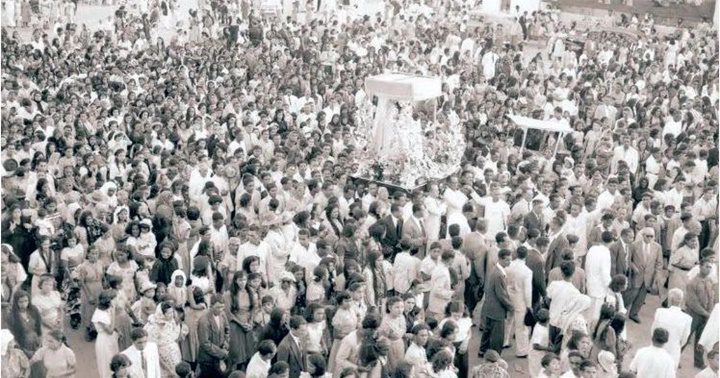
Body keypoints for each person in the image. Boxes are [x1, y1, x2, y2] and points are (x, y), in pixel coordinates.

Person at [479, 248, 513, 356]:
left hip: (490, 307)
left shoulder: (495, 271)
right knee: (497, 337)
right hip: (497, 310)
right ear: (500, 259)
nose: (509, 262)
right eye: (507, 260)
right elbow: (501, 295)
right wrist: (511, 307)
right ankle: (495, 356)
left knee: (487, 332)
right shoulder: (499, 275)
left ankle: (482, 350)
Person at [685, 259, 717, 369]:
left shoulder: (709, 281)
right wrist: (706, 314)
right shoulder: (692, 283)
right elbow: (692, 302)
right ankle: (675, 356)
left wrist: (710, 312)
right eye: (706, 266)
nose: (708, 269)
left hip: (706, 315)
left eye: (710, 267)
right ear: (700, 267)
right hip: (693, 314)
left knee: (701, 339)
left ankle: (698, 361)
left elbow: (712, 298)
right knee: (686, 337)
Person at [651, 288, 692, 369]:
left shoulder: (660, 312)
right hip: (674, 350)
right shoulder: (687, 318)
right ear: (681, 301)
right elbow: (685, 339)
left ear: (670, 299)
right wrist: (677, 345)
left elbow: (653, 331)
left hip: (657, 346)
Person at [196, 294, 230, 378]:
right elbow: (205, 343)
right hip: (207, 360)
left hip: (219, 358)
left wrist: (226, 341)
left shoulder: (222, 314)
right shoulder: (204, 320)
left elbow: (227, 329)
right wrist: (221, 353)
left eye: (222, 307)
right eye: (218, 307)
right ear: (211, 306)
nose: (221, 310)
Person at [92, 290, 120, 378]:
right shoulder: (99, 315)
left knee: (114, 361)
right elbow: (109, 330)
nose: (116, 301)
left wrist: (118, 331)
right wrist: (114, 312)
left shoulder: (106, 310)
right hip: (104, 341)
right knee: (107, 364)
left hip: (111, 339)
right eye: (114, 299)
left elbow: (111, 326)